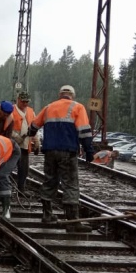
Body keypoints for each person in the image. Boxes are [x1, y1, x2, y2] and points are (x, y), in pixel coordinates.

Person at [28, 85, 94, 232]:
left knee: (50, 181)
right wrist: (89, 151)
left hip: (50, 151)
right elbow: (84, 132)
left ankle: (47, 215)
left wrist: (30, 134)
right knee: (70, 184)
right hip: (68, 151)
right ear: (72, 95)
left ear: (60, 95)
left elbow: (33, 126)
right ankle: (72, 221)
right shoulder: (77, 107)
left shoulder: (48, 107)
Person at [10, 91, 39, 193]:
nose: (25, 104)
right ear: (18, 100)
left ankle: (21, 188)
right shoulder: (11, 110)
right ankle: (5, 188)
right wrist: (15, 136)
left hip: (25, 146)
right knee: (9, 167)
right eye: (23, 102)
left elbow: (35, 127)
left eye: (27, 102)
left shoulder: (31, 111)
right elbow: (7, 128)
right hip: (12, 146)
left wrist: (36, 142)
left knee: (23, 169)